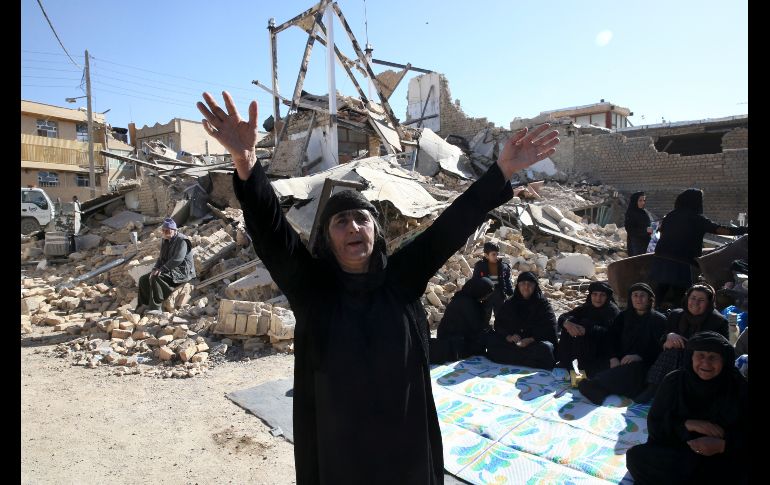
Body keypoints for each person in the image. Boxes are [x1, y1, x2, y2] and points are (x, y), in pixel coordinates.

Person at [196, 91, 559, 485]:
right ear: (327, 239)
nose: (353, 226)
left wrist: (500, 172)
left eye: (361, 219)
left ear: (376, 231)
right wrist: (246, 163)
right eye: (341, 221)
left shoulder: (401, 279)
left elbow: (449, 227)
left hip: (403, 448)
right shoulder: (312, 289)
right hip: (341, 454)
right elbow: (272, 233)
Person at [625, 331, 748, 485]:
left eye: (713, 357)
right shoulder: (674, 382)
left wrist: (723, 446)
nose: (706, 363)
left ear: (724, 360)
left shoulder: (739, 387)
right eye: (700, 355)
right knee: (637, 457)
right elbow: (656, 427)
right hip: (679, 454)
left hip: (721, 458)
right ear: (690, 357)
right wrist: (687, 425)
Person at [649, 188, 748, 309]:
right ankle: (677, 319)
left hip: (660, 259)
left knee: (660, 291)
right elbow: (721, 230)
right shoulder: (697, 219)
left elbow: (662, 232)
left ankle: (654, 314)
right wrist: (744, 230)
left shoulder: (670, 215)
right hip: (681, 262)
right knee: (680, 295)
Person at [634, 283, 728, 403]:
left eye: (701, 300)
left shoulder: (718, 321)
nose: (695, 303)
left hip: (702, 360)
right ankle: (654, 388)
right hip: (672, 359)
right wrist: (669, 337)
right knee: (672, 351)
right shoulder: (676, 315)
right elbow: (663, 337)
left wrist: (690, 345)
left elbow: (721, 348)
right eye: (692, 298)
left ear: (709, 303)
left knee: (675, 352)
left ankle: (661, 391)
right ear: (687, 298)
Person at [577, 283, 666, 405]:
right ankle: (598, 384)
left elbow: (660, 348)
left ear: (650, 299)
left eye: (642, 296)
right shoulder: (623, 316)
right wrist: (613, 357)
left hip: (643, 364)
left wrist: (639, 356)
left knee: (630, 371)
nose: (638, 299)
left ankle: (594, 386)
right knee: (599, 365)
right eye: (635, 295)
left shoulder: (659, 320)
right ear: (631, 298)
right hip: (620, 360)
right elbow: (611, 338)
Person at [486, 271, 558, 369]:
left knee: (546, 348)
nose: (526, 287)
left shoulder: (543, 305)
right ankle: (526, 361)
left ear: (535, 286)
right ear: (518, 286)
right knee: (491, 340)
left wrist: (530, 339)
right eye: (523, 284)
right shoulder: (510, 303)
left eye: (530, 284)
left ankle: (514, 359)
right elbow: (499, 324)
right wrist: (508, 336)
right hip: (513, 343)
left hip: (533, 344)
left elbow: (551, 327)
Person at [555, 281, 620, 376]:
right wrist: (566, 323)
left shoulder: (612, 312)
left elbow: (611, 335)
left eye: (602, 295)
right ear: (590, 295)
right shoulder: (587, 307)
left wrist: (588, 330)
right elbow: (563, 316)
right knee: (570, 321)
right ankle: (565, 362)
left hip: (602, 352)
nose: (598, 298)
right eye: (595, 294)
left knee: (584, 323)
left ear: (607, 297)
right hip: (583, 349)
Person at [135, 218, 196, 314]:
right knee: (143, 279)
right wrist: (155, 268)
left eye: (167, 230)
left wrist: (162, 269)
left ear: (174, 230)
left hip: (182, 270)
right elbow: (161, 258)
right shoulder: (166, 240)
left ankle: (155, 308)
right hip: (169, 267)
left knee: (156, 277)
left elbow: (178, 259)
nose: (165, 232)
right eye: (163, 230)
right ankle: (144, 304)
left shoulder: (182, 240)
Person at [429, 277, 495, 364]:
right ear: (478, 290)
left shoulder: (466, 298)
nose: (485, 298)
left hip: (456, 336)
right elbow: (478, 327)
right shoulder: (466, 303)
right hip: (453, 341)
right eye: (485, 295)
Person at [472, 242, 514, 323]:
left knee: (501, 317)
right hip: (486, 296)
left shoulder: (504, 266)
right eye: (493, 254)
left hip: (500, 295)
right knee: (485, 316)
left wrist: (511, 294)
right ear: (486, 255)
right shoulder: (480, 266)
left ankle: (499, 332)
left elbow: (507, 281)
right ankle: (485, 331)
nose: (496, 256)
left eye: (497, 254)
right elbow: (475, 281)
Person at [624, 191, 652, 256]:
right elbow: (630, 230)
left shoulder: (643, 212)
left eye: (644, 200)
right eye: (640, 200)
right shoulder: (630, 213)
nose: (643, 202)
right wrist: (645, 230)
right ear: (635, 201)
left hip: (646, 243)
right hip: (636, 245)